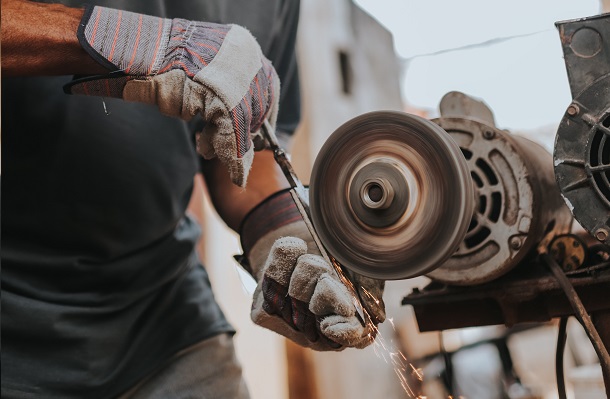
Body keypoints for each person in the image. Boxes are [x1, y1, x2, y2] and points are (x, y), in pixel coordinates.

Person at [1, 0, 386, 398]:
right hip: (13, 322)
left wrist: (287, 235)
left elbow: (244, 153)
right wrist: (148, 44)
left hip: (165, 315)